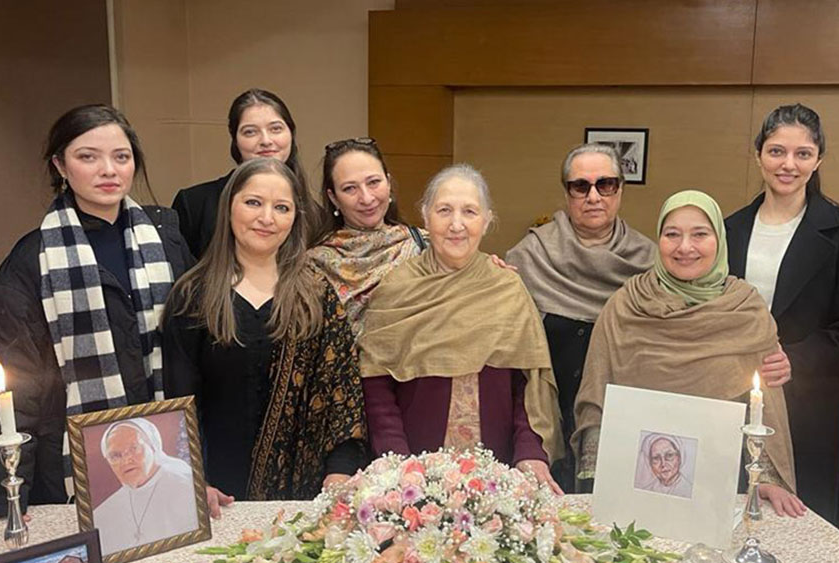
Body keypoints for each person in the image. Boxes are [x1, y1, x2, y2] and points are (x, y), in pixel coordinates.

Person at [0, 105, 195, 526]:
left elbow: (193, 345)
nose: (108, 170)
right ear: (60, 164)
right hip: (70, 461)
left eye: (121, 157)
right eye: (88, 156)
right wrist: (2, 495)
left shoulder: (165, 240)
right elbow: (6, 385)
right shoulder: (34, 259)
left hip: (165, 451)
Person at [572, 190, 806, 517]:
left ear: (719, 240)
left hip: (724, 488)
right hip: (633, 481)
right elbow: (596, 391)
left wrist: (766, 477)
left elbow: (764, 403)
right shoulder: (626, 305)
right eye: (672, 234)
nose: (685, 247)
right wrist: (597, 478)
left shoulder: (747, 310)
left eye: (700, 234)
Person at [163, 158, 368, 501]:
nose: (267, 218)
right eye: (253, 202)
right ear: (229, 207)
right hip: (218, 500)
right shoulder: (192, 296)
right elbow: (178, 404)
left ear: (295, 218)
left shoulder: (316, 295)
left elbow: (343, 400)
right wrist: (193, 482)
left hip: (306, 500)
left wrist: (339, 474)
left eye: (282, 207)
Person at [359, 164, 564, 494]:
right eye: (444, 211)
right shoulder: (398, 288)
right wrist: (397, 461)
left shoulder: (506, 288)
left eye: (469, 211)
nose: (456, 225)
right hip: (412, 477)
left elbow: (528, 387)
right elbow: (377, 386)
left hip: (497, 478)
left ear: (486, 220)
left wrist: (530, 454)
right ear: (425, 217)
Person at [725, 104, 839, 532]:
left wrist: (796, 359)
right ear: (758, 155)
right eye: (776, 151)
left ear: (818, 159)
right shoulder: (728, 228)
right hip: (735, 391)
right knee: (735, 507)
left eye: (803, 154)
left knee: (805, 518)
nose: (788, 164)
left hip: (807, 398)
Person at [506, 143, 654, 491]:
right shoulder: (529, 256)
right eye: (580, 186)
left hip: (619, 423)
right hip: (544, 419)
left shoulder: (648, 262)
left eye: (605, 184)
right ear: (567, 192)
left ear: (620, 189)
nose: (593, 196)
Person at [172, 88, 319, 258]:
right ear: (235, 141)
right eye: (250, 132)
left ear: (291, 135)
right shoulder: (194, 204)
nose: (265, 141)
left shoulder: (316, 214)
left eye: (276, 129)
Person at [307, 137, 428, 338]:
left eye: (373, 182)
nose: (366, 198)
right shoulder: (314, 265)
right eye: (349, 188)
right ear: (333, 198)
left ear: (388, 183)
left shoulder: (427, 247)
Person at [93, 418, 199, 555]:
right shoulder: (101, 516)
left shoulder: (188, 486)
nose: (126, 460)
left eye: (134, 448)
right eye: (115, 455)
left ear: (153, 447)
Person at [634, 433, 694, 499]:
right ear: (650, 463)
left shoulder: (689, 490)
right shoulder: (646, 490)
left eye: (669, 455)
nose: (663, 464)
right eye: (656, 458)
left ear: (679, 458)